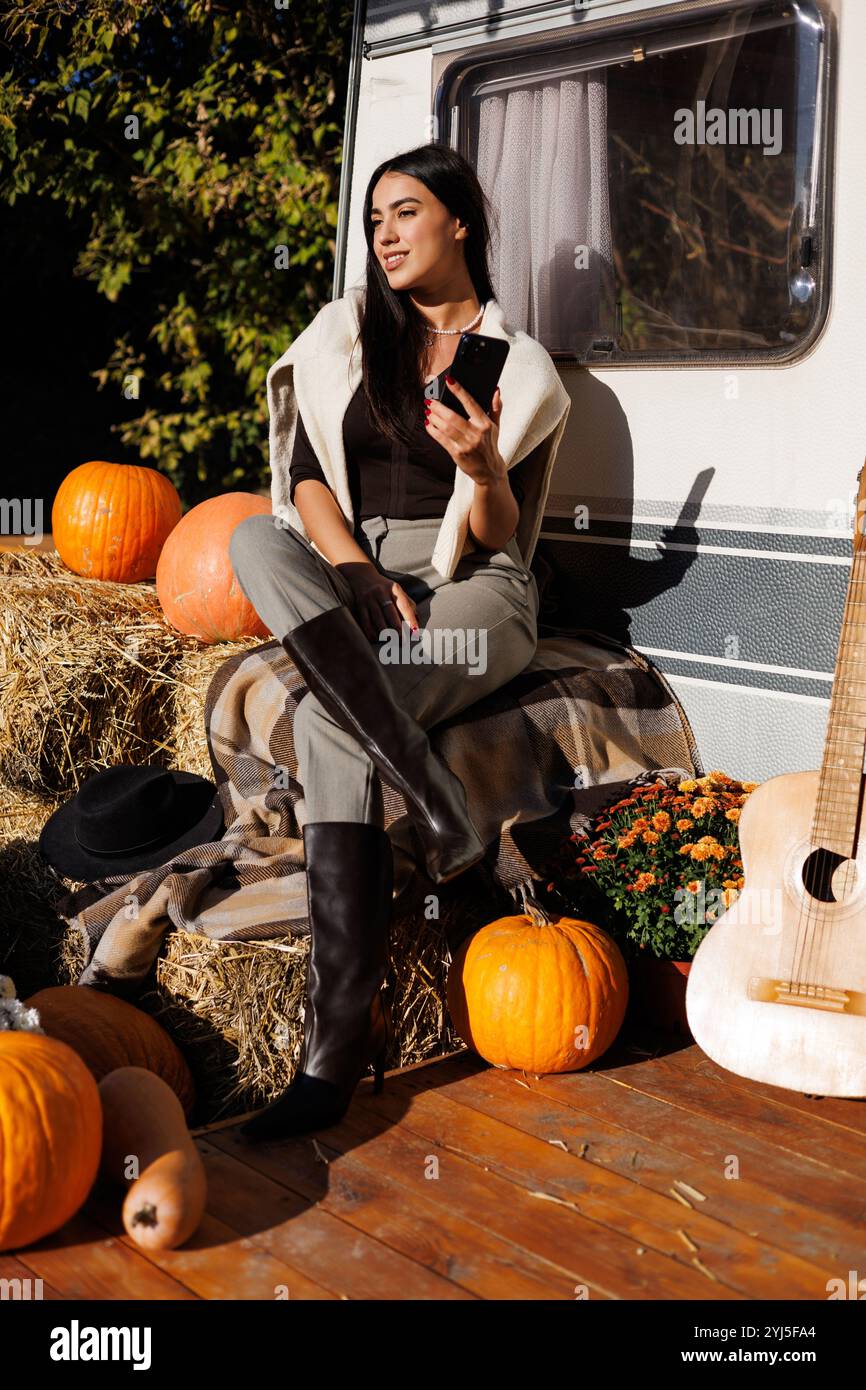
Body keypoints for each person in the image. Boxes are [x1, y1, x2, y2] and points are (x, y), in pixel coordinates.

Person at [229, 142, 571, 1141]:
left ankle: (331, 1051)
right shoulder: (343, 335)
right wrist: (353, 571)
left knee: (334, 724)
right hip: (353, 569)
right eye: (373, 216)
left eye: (405, 211)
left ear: (460, 220)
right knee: (250, 534)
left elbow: (501, 531)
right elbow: (300, 479)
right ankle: (438, 807)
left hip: (471, 584)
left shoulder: (512, 362)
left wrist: (486, 467)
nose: (381, 232)